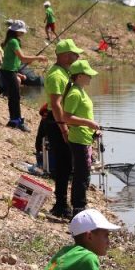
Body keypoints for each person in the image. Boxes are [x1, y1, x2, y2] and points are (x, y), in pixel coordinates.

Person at [37, 39, 83, 219]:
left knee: (67, 164)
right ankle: (61, 205)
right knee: (63, 165)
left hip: (61, 122)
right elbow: (56, 105)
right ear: (64, 55)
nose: (77, 56)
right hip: (56, 124)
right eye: (74, 54)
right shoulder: (56, 75)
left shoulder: (66, 71)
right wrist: (64, 129)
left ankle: (63, 203)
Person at [61, 59, 100, 213]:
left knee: (84, 173)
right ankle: (78, 208)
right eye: (88, 74)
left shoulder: (81, 90)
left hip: (85, 137)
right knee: (81, 175)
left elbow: (83, 115)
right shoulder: (75, 94)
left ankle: (80, 205)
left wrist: (94, 129)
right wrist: (88, 123)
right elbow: (66, 118)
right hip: (78, 139)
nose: (91, 77)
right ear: (79, 76)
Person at [0, 20, 48, 132]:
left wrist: (24, 64)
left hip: (8, 71)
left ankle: (13, 120)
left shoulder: (11, 40)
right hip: (9, 72)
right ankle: (17, 121)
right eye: (22, 31)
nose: (23, 33)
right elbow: (23, 58)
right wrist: (38, 58)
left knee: (13, 97)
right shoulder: (13, 42)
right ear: (17, 31)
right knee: (15, 97)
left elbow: (15, 59)